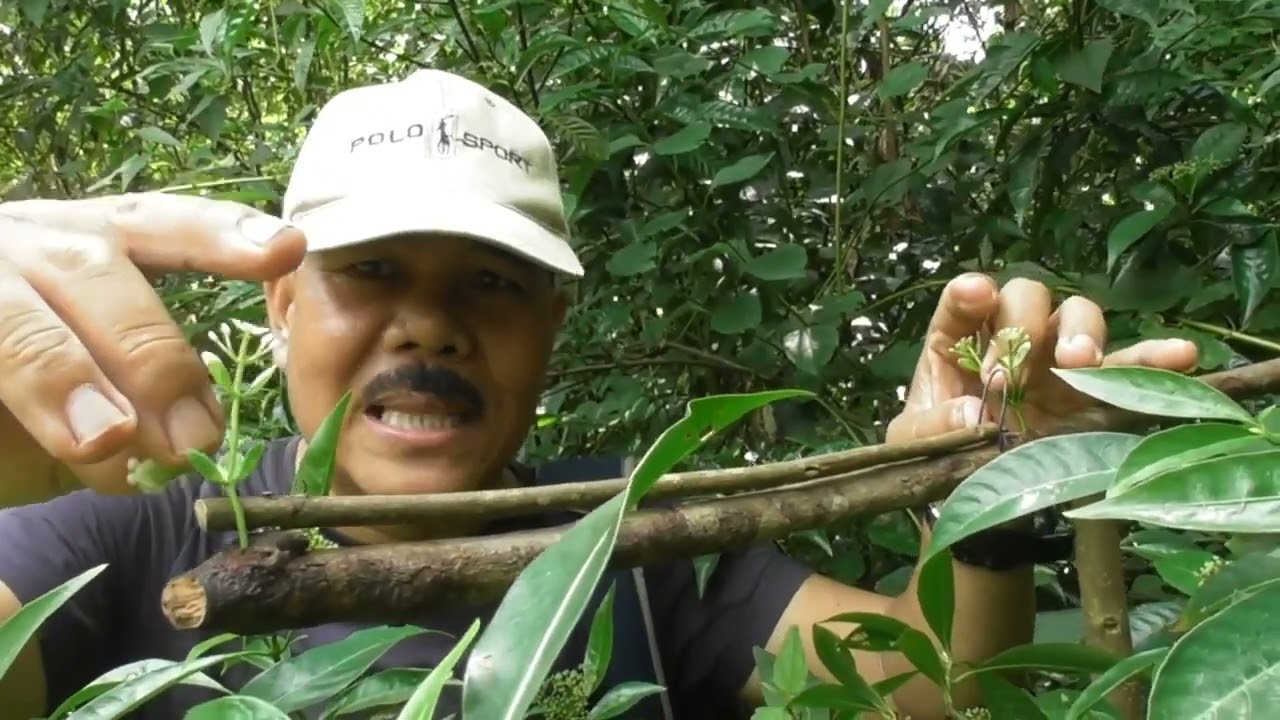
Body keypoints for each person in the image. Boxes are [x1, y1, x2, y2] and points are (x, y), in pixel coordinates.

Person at [0, 68, 1198, 720]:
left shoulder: (640, 539)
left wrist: (992, 493)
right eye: (369, 273)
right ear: (278, 304)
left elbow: (933, 692)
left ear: (553, 321)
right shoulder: (114, 542)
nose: (427, 325)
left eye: (489, 280)